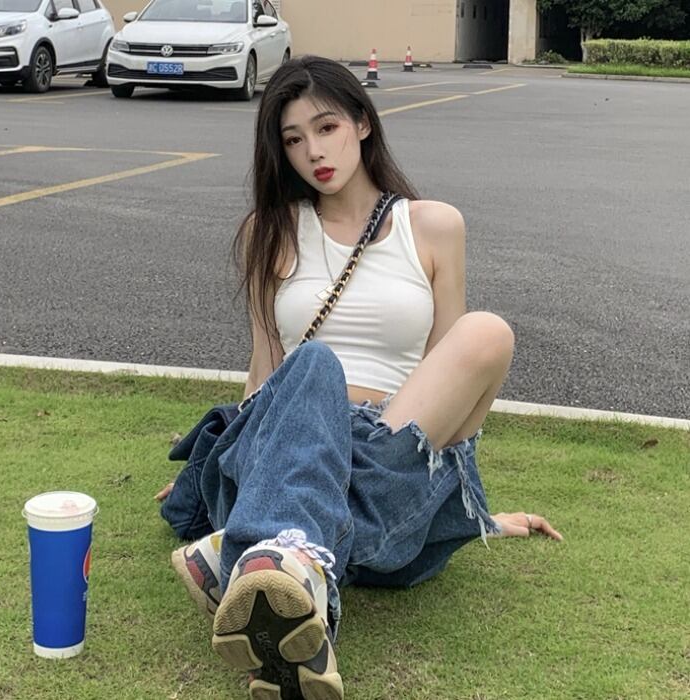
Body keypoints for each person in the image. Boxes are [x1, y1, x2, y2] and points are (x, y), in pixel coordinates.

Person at [155, 55, 563, 700]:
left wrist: (476, 512)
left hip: (387, 450)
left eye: (326, 128)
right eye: (294, 139)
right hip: (293, 431)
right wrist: (233, 463)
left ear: (363, 123)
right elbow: (264, 369)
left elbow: (447, 383)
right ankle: (294, 571)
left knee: (487, 331)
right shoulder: (270, 231)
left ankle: (259, 554)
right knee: (314, 363)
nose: (313, 152)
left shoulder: (432, 226)